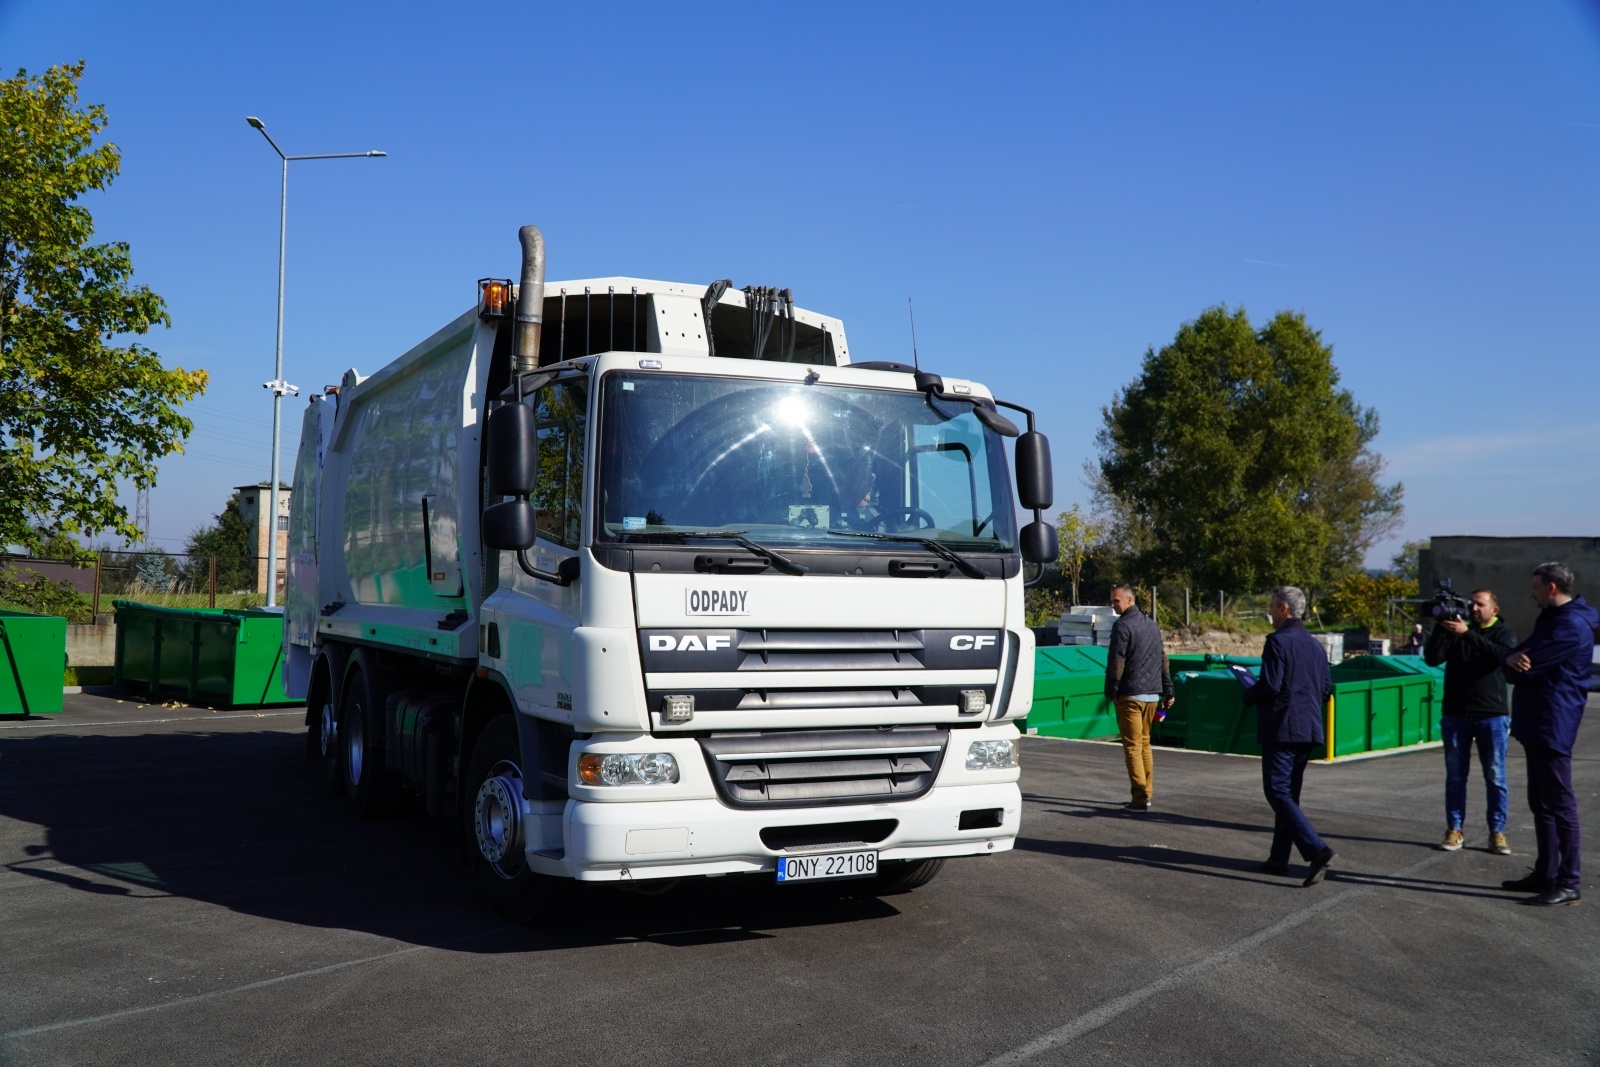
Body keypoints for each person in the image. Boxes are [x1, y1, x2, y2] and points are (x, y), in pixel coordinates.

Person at [1500, 562, 1598, 907]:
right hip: (1538, 720)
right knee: (1540, 801)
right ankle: (1546, 872)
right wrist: (1511, 660)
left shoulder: (1569, 625)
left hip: (1552, 722)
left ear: (1552, 588)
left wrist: (1513, 663)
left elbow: (1527, 664)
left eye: (1536, 586)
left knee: (1559, 803)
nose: (1532, 592)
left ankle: (1568, 881)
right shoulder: (1553, 619)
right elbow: (1516, 656)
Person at [1242, 586, 1338, 887]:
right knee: (1289, 794)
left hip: (1282, 726)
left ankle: (1316, 849)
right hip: (1308, 727)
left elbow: (1270, 685)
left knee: (1277, 791)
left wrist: (1248, 693)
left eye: (1271, 607)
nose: (1269, 613)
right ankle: (1278, 859)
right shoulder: (1315, 646)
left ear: (1284, 609)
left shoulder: (1277, 642)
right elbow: (1326, 690)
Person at [1423, 590, 1517, 854]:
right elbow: (1432, 659)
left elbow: (1500, 655)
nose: (1474, 609)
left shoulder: (1503, 633)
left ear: (1494, 610)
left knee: (1495, 776)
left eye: (1480, 604)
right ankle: (1454, 829)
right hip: (1456, 714)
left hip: (1492, 715)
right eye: (1470, 604)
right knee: (1455, 776)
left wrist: (1466, 634)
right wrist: (1442, 627)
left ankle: (1497, 832)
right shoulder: (1456, 631)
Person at [1103, 584, 1174, 812]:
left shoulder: (1122, 626)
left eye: (1116, 601)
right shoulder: (1152, 626)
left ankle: (1139, 799)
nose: (1113, 605)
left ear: (1130, 600)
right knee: (1144, 745)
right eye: (1112, 601)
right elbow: (1163, 659)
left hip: (1130, 695)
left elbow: (1117, 661)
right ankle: (1146, 793)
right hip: (1151, 696)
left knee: (1133, 747)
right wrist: (1168, 690)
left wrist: (1111, 691)